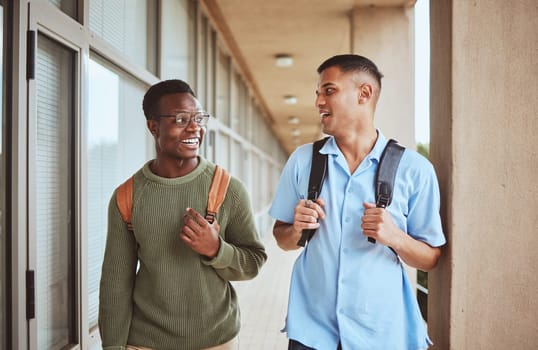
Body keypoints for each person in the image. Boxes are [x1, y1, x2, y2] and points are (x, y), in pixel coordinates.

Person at [269, 54, 446, 350]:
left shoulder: (415, 169)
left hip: (382, 334)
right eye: (318, 94)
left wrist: (395, 237)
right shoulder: (302, 161)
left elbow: (431, 257)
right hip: (312, 333)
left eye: (329, 90)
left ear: (364, 93)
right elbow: (281, 238)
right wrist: (296, 229)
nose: (319, 102)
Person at [99, 79, 267, 350]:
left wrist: (216, 250)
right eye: (180, 119)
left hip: (217, 341)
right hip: (145, 343)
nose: (194, 128)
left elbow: (254, 262)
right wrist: (113, 346)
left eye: (198, 118)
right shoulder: (127, 197)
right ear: (153, 126)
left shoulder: (228, 189)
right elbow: (115, 283)